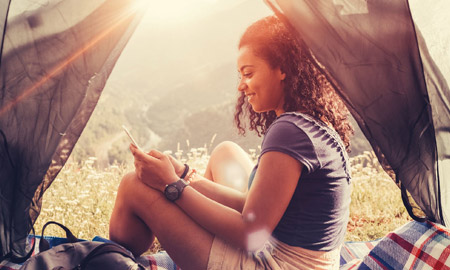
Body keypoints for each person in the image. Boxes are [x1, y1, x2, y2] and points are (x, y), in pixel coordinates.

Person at [109, 15, 353, 270]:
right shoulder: (311, 122)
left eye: (248, 73)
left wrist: (171, 186)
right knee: (225, 152)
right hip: (303, 258)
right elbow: (251, 206)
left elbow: (250, 234)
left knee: (132, 185)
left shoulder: (290, 131)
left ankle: (116, 259)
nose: (241, 86)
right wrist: (181, 173)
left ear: (282, 68)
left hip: (280, 264)